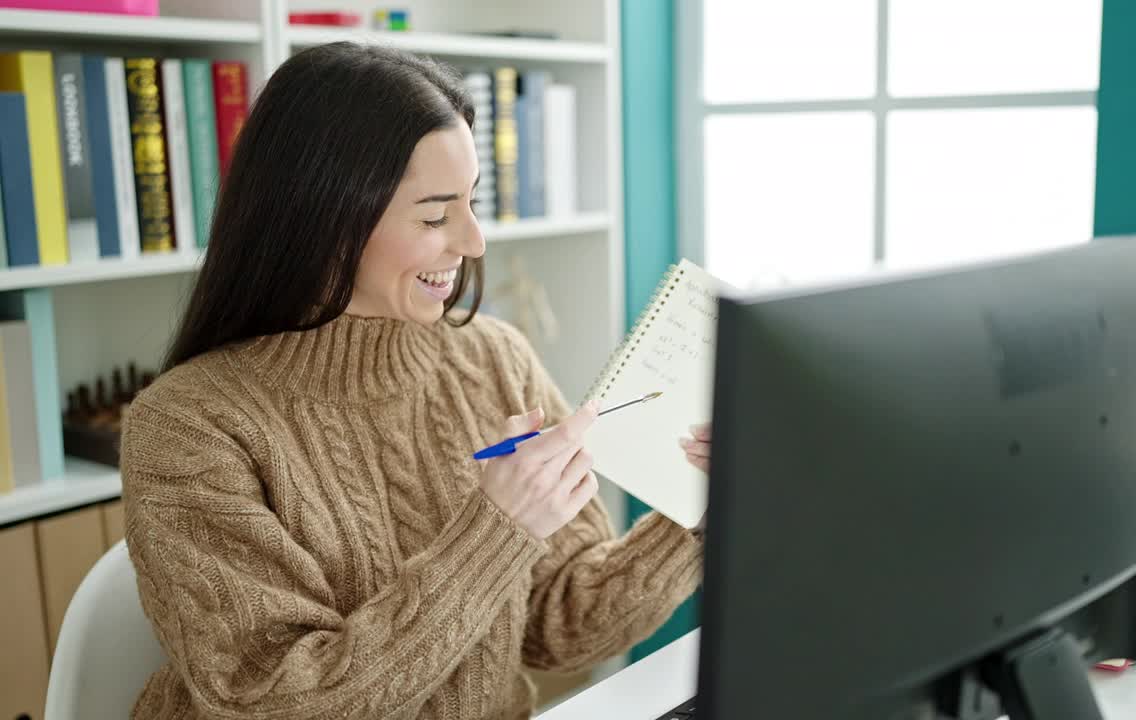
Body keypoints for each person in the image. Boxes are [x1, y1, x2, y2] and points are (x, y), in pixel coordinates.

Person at [120, 42, 710, 719]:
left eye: (471, 202)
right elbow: (275, 700)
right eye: (435, 215)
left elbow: (561, 627)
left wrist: (695, 511)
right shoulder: (187, 427)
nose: (473, 241)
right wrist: (497, 528)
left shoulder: (494, 359)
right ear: (324, 219)